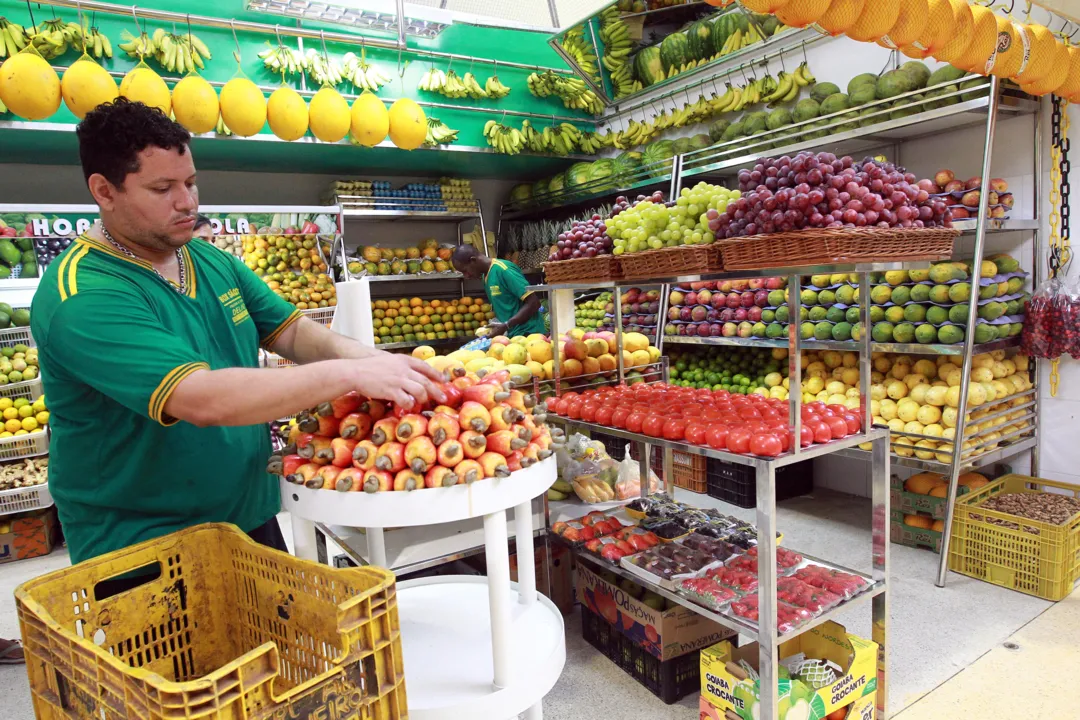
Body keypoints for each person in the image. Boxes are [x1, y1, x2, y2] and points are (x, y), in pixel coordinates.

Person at [31, 98, 445, 568]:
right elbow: (201, 399)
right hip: (143, 543)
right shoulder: (83, 293)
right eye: (162, 188)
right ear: (104, 191)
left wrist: (376, 363)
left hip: (247, 513)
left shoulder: (208, 260)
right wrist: (350, 373)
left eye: (190, 182)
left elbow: (294, 333)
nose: (187, 202)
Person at [451, 245, 545, 337]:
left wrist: (506, 325)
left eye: (465, 271)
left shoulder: (503, 270)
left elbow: (534, 303)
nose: (466, 276)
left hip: (530, 334)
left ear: (473, 260)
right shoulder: (486, 275)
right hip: (515, 335)